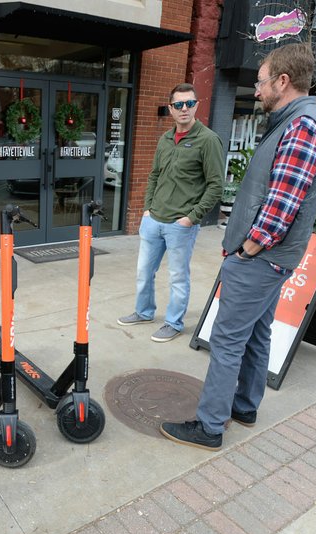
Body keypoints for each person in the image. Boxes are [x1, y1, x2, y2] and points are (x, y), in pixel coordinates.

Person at [161, 43, 316, 450]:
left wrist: (248, 249)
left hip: (261, 258)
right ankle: (245, 406)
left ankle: (209, 426)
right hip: (269, 259)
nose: (256, 90)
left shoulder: (302, 126)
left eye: (261, 81)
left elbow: (282, 205)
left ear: (283, 81)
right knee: (257, 333)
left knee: (226, 341)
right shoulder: (296, 121)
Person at [118, 83, 224, 343]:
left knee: (178, 277)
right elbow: (155, 174)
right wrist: (147, 208)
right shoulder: (165, 139)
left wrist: (191, 217)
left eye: (189, 103)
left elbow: (216, 185)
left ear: (197, 105)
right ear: (171, 109)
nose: (184, 109)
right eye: (178, 105)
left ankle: (173, 323)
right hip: (154, 219)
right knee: (144, 271)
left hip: (181, 224)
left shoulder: (208, 140)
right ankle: (144, 312)